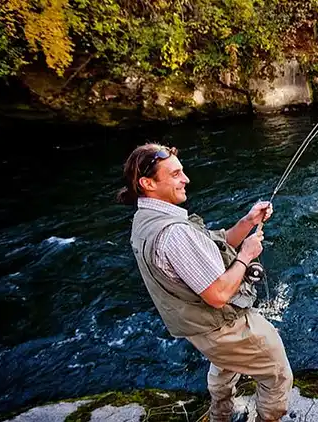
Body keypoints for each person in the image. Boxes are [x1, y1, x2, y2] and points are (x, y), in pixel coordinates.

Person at [117, 143, 293, 422]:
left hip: (201, 329)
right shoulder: (174, 233)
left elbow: (215, 247)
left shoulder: (146, 219)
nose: (186, 179)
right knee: (278, 372)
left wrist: (247, 222)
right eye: (175, 174)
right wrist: (246, 256)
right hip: (222, 326)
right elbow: (218, 294)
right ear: (147, 183)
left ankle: (220, 415)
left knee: (225, 363)